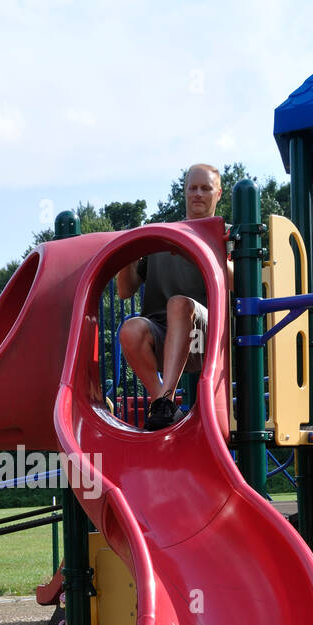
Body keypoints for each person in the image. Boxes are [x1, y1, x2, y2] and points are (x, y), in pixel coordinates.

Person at [116, 163, 222, 430]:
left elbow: (242, 283)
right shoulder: (163, 238)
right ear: (184, 192)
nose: (198, 193)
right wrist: (125, 254)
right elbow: (124, 290)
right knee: (130, 328)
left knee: (179, 303)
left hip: (208, 339)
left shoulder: (225, 235)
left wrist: (213, 255)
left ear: (218, 194)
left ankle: (165, 400)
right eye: (192, 188)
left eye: (205, 188)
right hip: (164, 340)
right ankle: (163, 403)